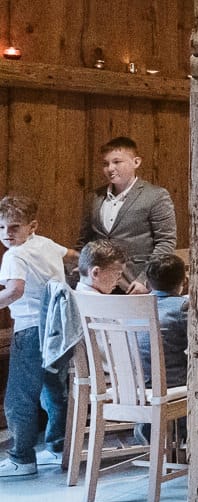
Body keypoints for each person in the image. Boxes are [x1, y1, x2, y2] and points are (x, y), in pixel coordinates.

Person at [0, 194, 75, 478]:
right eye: (1, 227)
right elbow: (74, 256)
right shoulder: (46, 243)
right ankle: (58, 447)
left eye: (14, 227)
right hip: (58, 328)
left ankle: (22, 458)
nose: (7, 234)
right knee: (53, 390)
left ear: (32, 225)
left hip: (30, 328)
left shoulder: (14, 255)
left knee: (19, 396)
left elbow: (14, 291)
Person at [79, 136, 178, 289]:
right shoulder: (94, 197)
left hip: (134, 284)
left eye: (117, 162)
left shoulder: (156, 196)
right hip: (98, 285)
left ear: (136, 162)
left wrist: (146, 279)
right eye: (105, 164)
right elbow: (85, 240)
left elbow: (165, 242)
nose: (110, 168)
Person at [144, 253, 189, 390]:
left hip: (134, 382)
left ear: (147, 283)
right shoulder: (183, 307)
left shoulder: (132, 306)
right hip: (170, 382)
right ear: (185, 281)